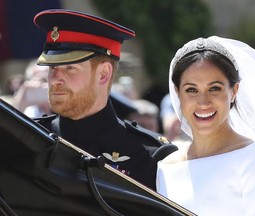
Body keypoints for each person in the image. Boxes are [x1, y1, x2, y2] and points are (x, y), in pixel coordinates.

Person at [32, 9, 177, 190]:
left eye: (69, 68)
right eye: (52, 68)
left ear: (104, 73)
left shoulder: (150, 157)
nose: (54, 79)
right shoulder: (28, 137)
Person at [156, 36, 255, 215]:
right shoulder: (167, 167)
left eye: (215, 88)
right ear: (178, 94)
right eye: (192, 90)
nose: (203, 102)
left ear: (234, 91)